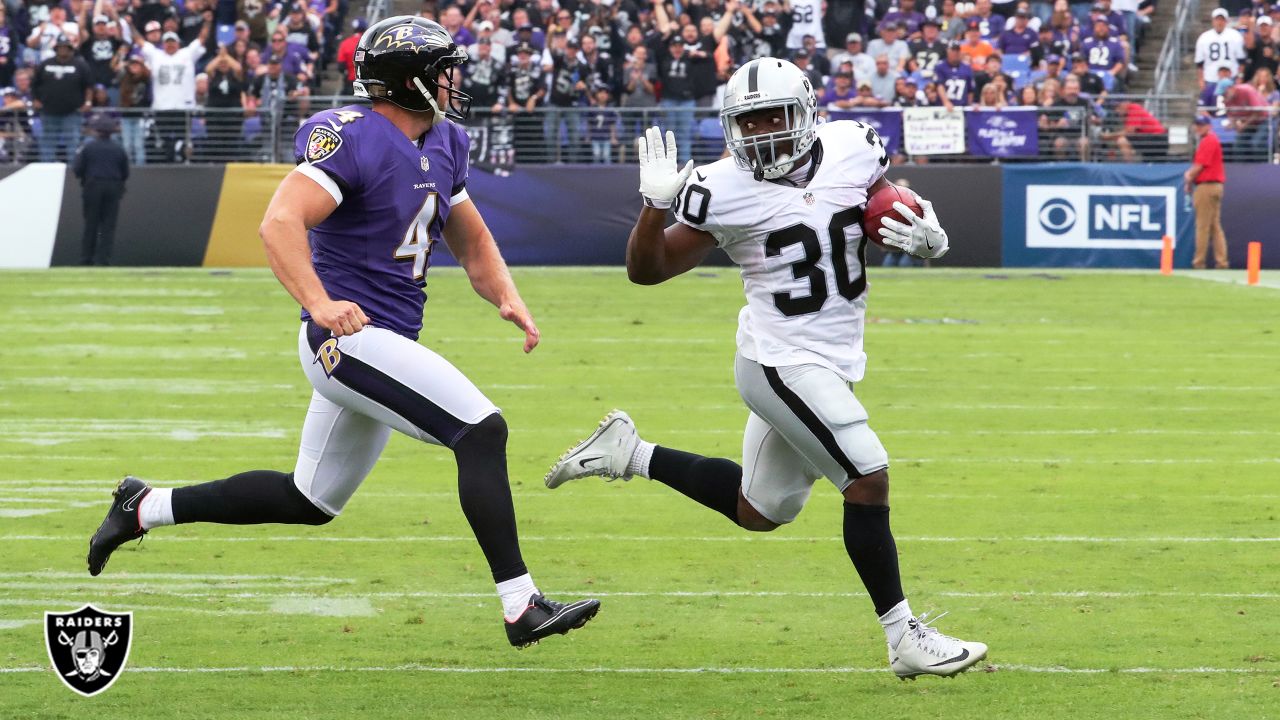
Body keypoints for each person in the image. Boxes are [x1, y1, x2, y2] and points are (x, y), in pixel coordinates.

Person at [86, 16, 600, 649]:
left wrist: (506, 294)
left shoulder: (445, 143)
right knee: (481, 429)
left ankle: (143, 507)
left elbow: (470, 240)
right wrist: (320, 303)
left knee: (310, 499)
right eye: (444, 69)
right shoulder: (352, 138)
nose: (454, 81)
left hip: (386, 341)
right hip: (344, 340)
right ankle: (520, 604)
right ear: (410, 80)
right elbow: (279, 224)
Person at [544, 58, 988, 680]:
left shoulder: (853, 146)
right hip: (779, 360)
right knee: (868, 476)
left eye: (773, 116)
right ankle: (903, 638)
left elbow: (888, 201)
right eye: (748, 122)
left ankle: (630, 453)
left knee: (762, 509)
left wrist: (926, 230)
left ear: (805, 114)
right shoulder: (717, 188)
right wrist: (651, 206)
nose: (762, 133)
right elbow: (646, 270)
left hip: (833, 358)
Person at [72, 114, 128, 265]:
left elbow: (77, 169)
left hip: (93, 186)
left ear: (96, 130)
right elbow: (125, 172)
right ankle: (103, 260)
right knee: (108, 226)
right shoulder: (119, 149)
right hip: (113, 186)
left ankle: (86, 258)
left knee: (91, 224)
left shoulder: (87, 147)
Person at [33, 35, 91, 162]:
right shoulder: (45, 64)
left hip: (72, 111)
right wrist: (35, 99)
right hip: (48, 110)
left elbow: (88, 86)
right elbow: (34, 84)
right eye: (60, 47)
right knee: (48, 142)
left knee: (73, 142)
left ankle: (73, 170)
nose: (63, 50)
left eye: (66, 47)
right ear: (56, 49)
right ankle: (47, 169)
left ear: (71, 49)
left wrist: (88, 101)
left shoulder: (80, 65)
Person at [1185, 115, 1228, 269]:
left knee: (1202, 226)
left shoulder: (1208, 140)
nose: (1198, 127)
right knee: (1215, 226)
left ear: (1209, 126)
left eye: (1201, 125)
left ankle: (1199, 262)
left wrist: (1188, 176)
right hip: (1215, 186)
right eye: (1197, 124)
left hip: (1207, 186)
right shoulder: (1211, 139)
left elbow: (1199, 166)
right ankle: (1221, 261)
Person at [1196, 8, 1247, 91]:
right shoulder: (1204, 38)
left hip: (1231, 78)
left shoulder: (1235, 36)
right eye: (1217, 19)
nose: (1219, 22)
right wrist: (1201, 80)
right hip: (1210, 78)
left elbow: (1241, 61)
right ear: (1213, 21)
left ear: (1226, 21)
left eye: (1222, 19)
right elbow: (1199, 63)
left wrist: (1239, 77)